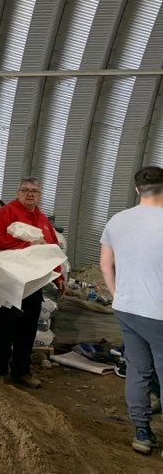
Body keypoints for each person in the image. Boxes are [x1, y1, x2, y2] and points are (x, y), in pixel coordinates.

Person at [100, 166, 163, 456]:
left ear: (137, 189)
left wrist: (116, 295)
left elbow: (105, 264)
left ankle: (142, 432)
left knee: (138, 370)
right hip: (159, 312)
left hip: (127, 309)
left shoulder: (117, 220)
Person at [0, 177, 65, 388]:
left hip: (32, 283)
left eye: (34, 191)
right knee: (5, 326)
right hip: (9, 281)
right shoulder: (7, 212)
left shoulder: (41, 218)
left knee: (28, 329)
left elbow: (51, 248)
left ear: (39, 195)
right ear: (18, 192)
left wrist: (58, 275)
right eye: (25, 190)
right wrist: (26, 244)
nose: (30, 194)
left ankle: (21, 371)